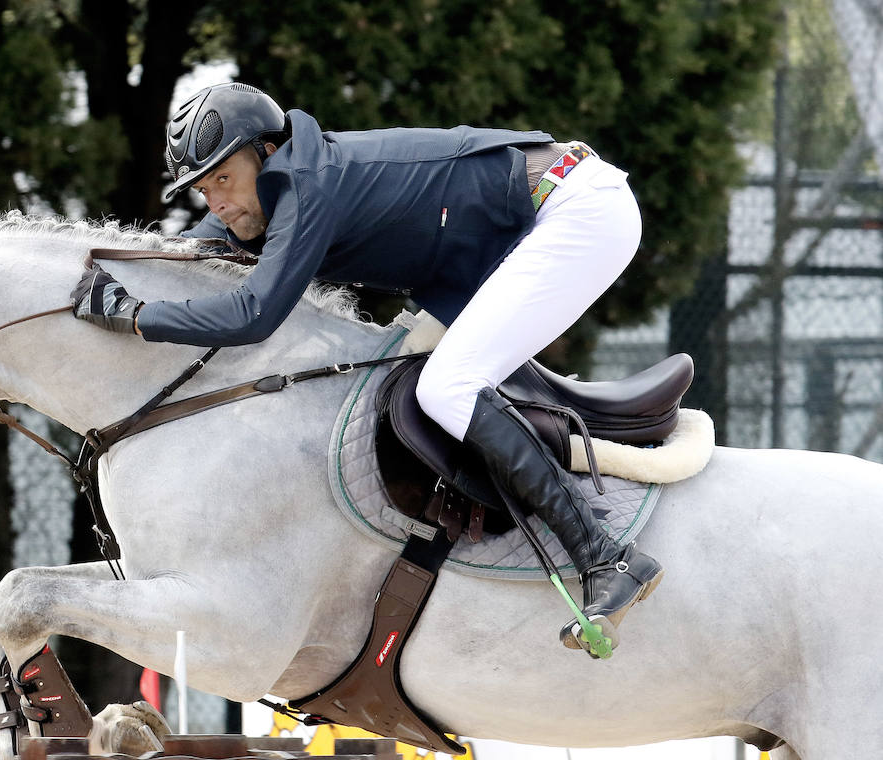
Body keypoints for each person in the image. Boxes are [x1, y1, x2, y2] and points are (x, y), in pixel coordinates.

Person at [70, 82, 663, 655]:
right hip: (529, 224)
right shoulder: (284, 183)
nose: (217, 202)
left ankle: (603, 555)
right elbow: (203, 249)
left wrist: (138, 315)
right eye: (204, 189)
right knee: (403, 370)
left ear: (268, 153)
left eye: (224, 179)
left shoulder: (307, 186)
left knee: (448, 388)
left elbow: (253, 316)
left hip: (573, 210)